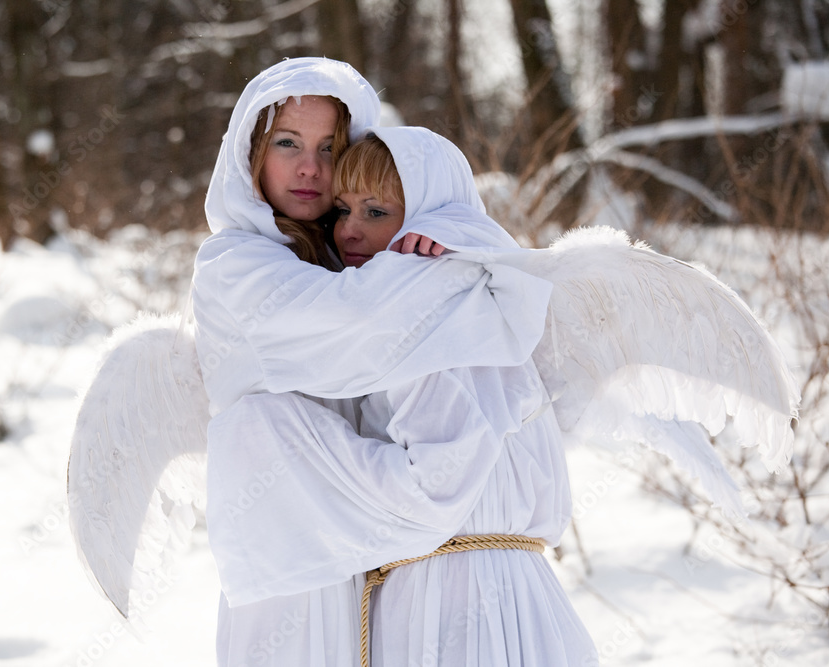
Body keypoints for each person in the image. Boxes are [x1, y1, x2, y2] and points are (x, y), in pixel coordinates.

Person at [192, 57, 560, 667]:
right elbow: (360, 320)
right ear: (248, 151)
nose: (310, 168)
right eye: (287, 143)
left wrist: (454, 242)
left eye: (329, 147)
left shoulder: (354, 264)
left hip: (375, 569)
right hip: (290, 557)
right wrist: (458, 255)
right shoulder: (235, 264)